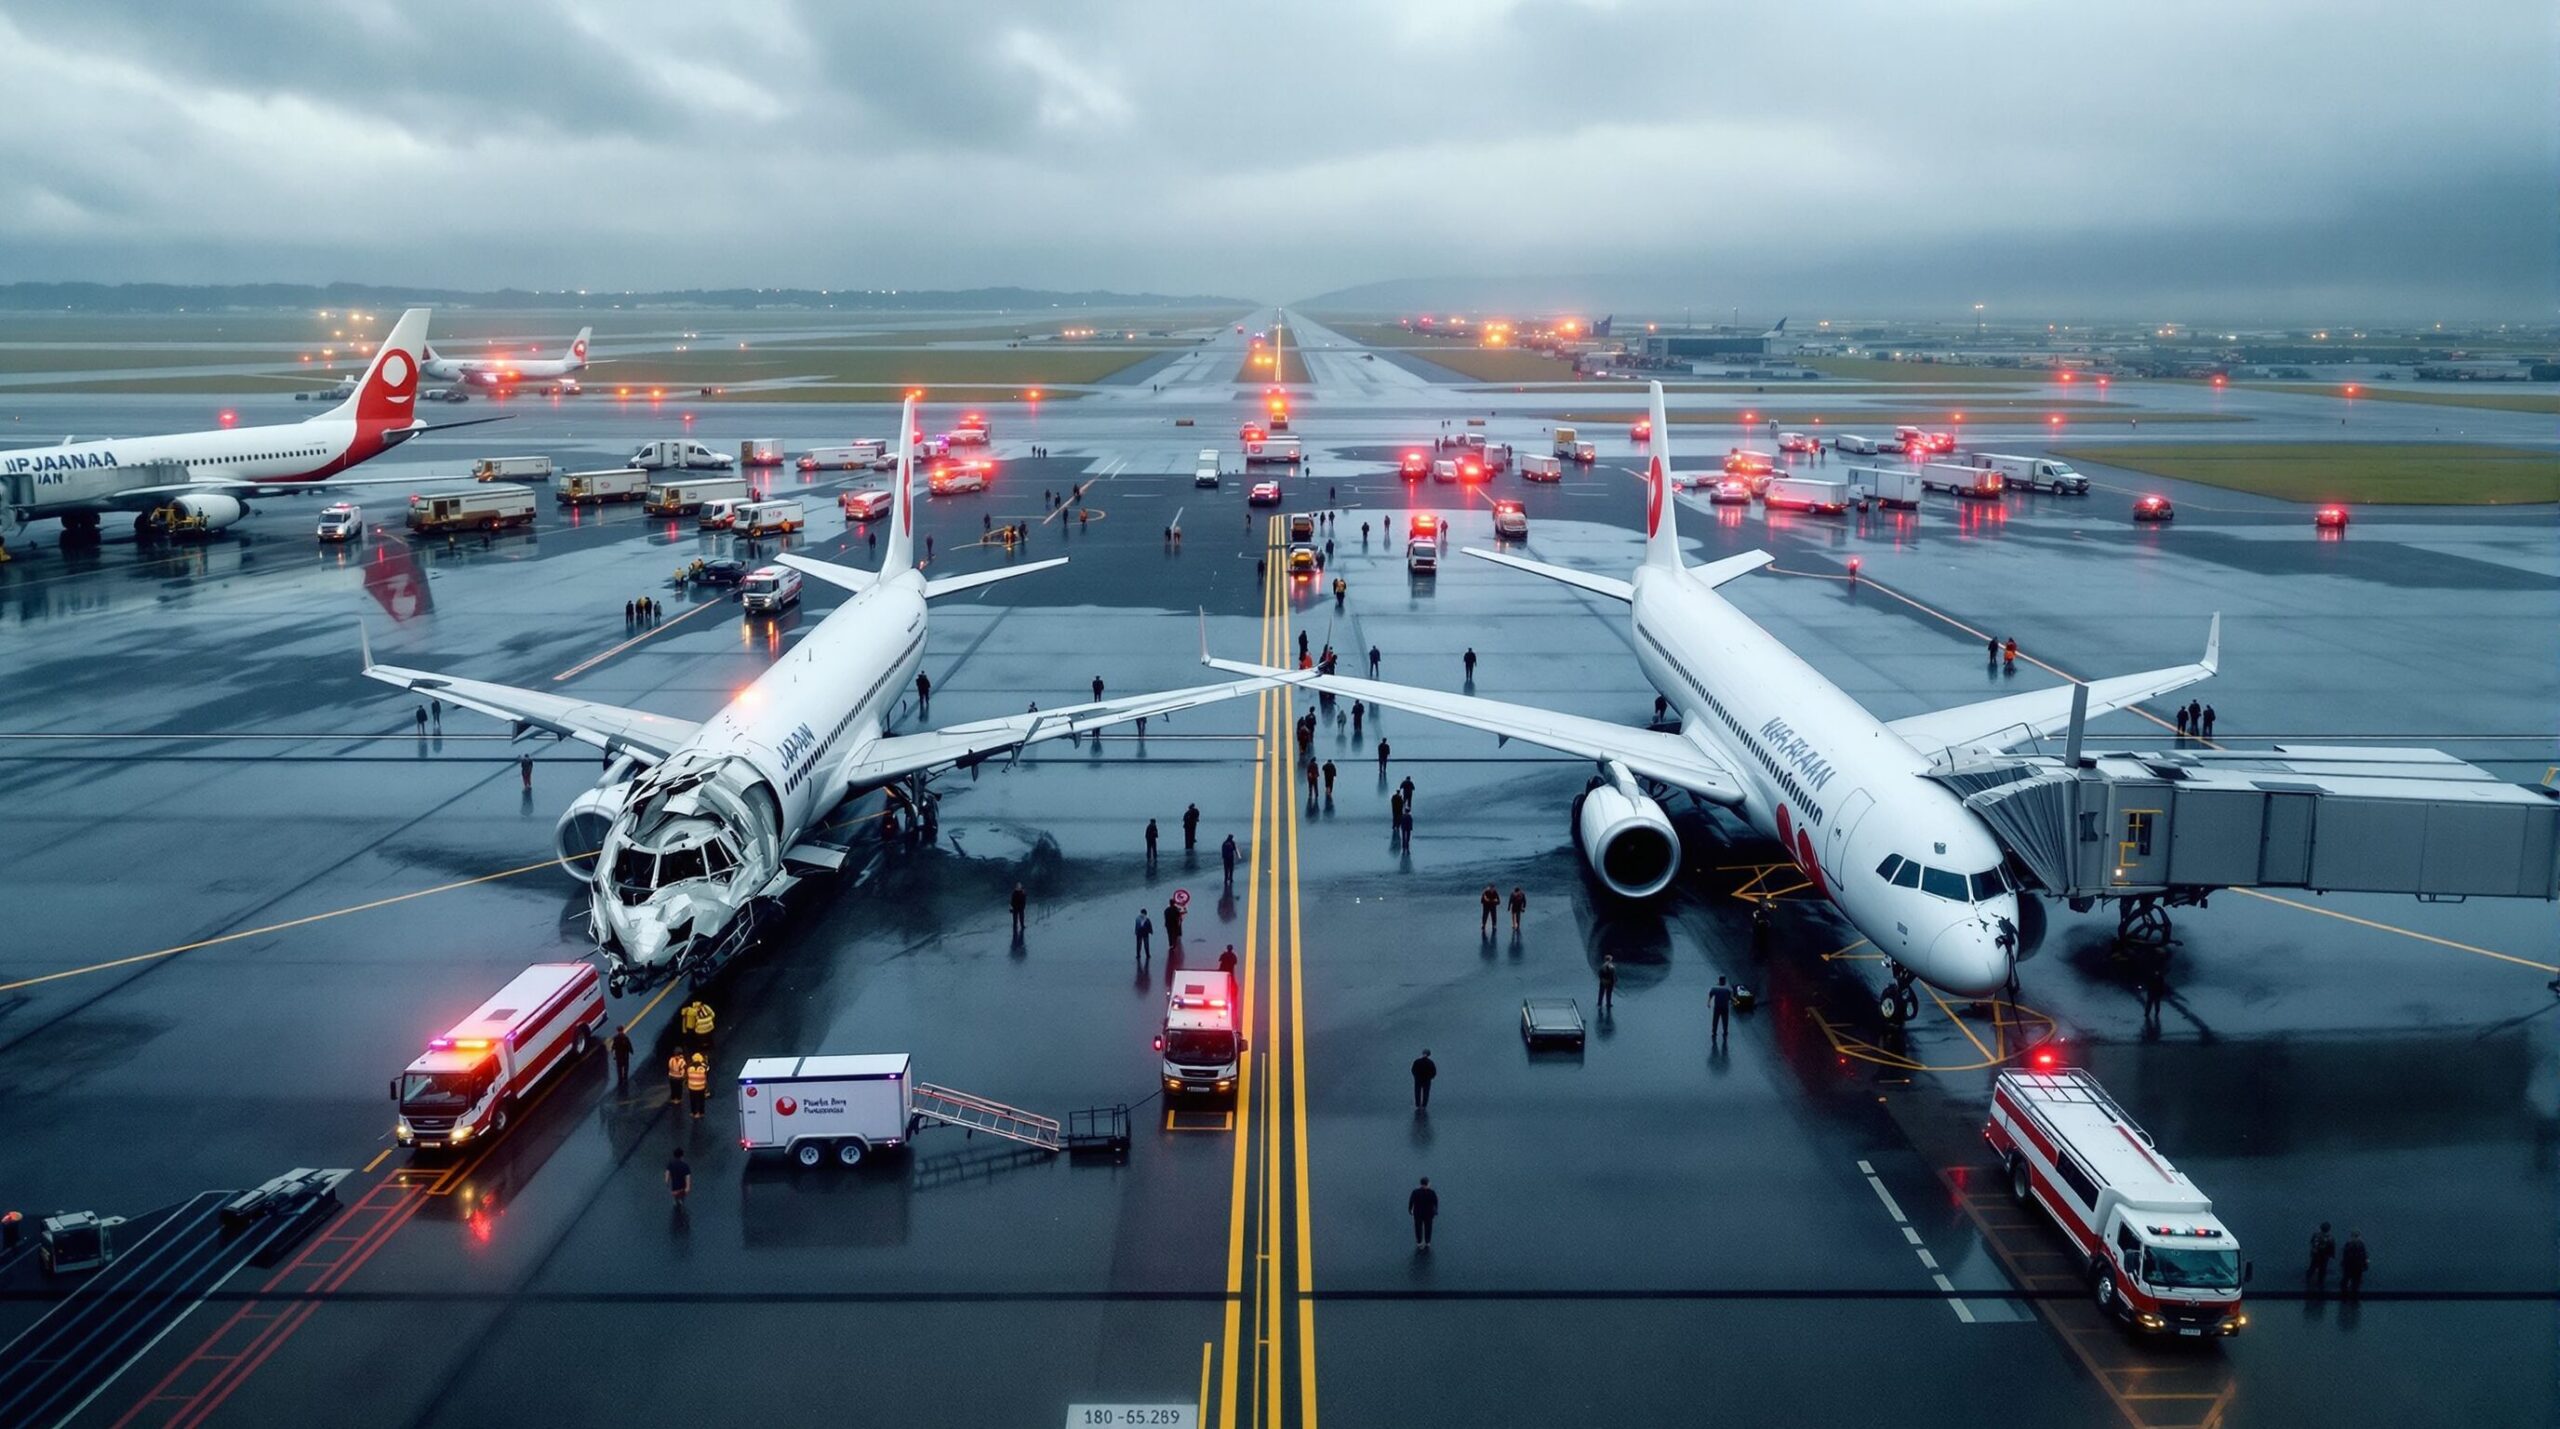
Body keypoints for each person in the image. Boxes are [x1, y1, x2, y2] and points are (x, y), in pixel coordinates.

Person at [1409, 1177, 1439, 1251]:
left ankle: (1419, 1243)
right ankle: (1427, 1242)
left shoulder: (1415, 1192)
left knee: (1418, 1227)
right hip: (1428, 1214)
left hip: (1418, 1213)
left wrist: (1410, 1210)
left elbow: (1411, 1201)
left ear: (1421, 1183)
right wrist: (1435, 1211)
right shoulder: (1432, 1192)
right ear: (1428, 1184)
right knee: (1428, 1227)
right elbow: (1435, 1202)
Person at [2340, 1231, 2368, 1296]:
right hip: (2357, 1265)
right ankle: (2353, 1294)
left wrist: (2343, 1263)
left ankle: (2345, 1294)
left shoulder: (2348, 1244)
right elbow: (2363, 1255)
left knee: (2347, 1279)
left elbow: (2345, 1255)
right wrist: (2365, 1264)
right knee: (2355, 1280)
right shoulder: (2361, 1244)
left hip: (2350, 1265)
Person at [1709, 977, 1735, 1045]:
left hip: (1719, 1007)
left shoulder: (1715, 988)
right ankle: (1723, 1032)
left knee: (1717, 1020)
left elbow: (1711, 995)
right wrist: (1735, 1001)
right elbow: (1731, 997)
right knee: (1723, 1020)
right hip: (1723, 1007)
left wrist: (1708, 1002)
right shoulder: (1728, 988)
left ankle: (1715, 1032)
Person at [685, 1053, 710, 1119]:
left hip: (692, 1087)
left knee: (693, 1100)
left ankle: (694, 1112)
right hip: (701, 1087)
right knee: (701, 1100)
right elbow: (707, 1069)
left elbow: (687, 1075)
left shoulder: (690, 1068)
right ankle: (701, 1112)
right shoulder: (702, 1068)